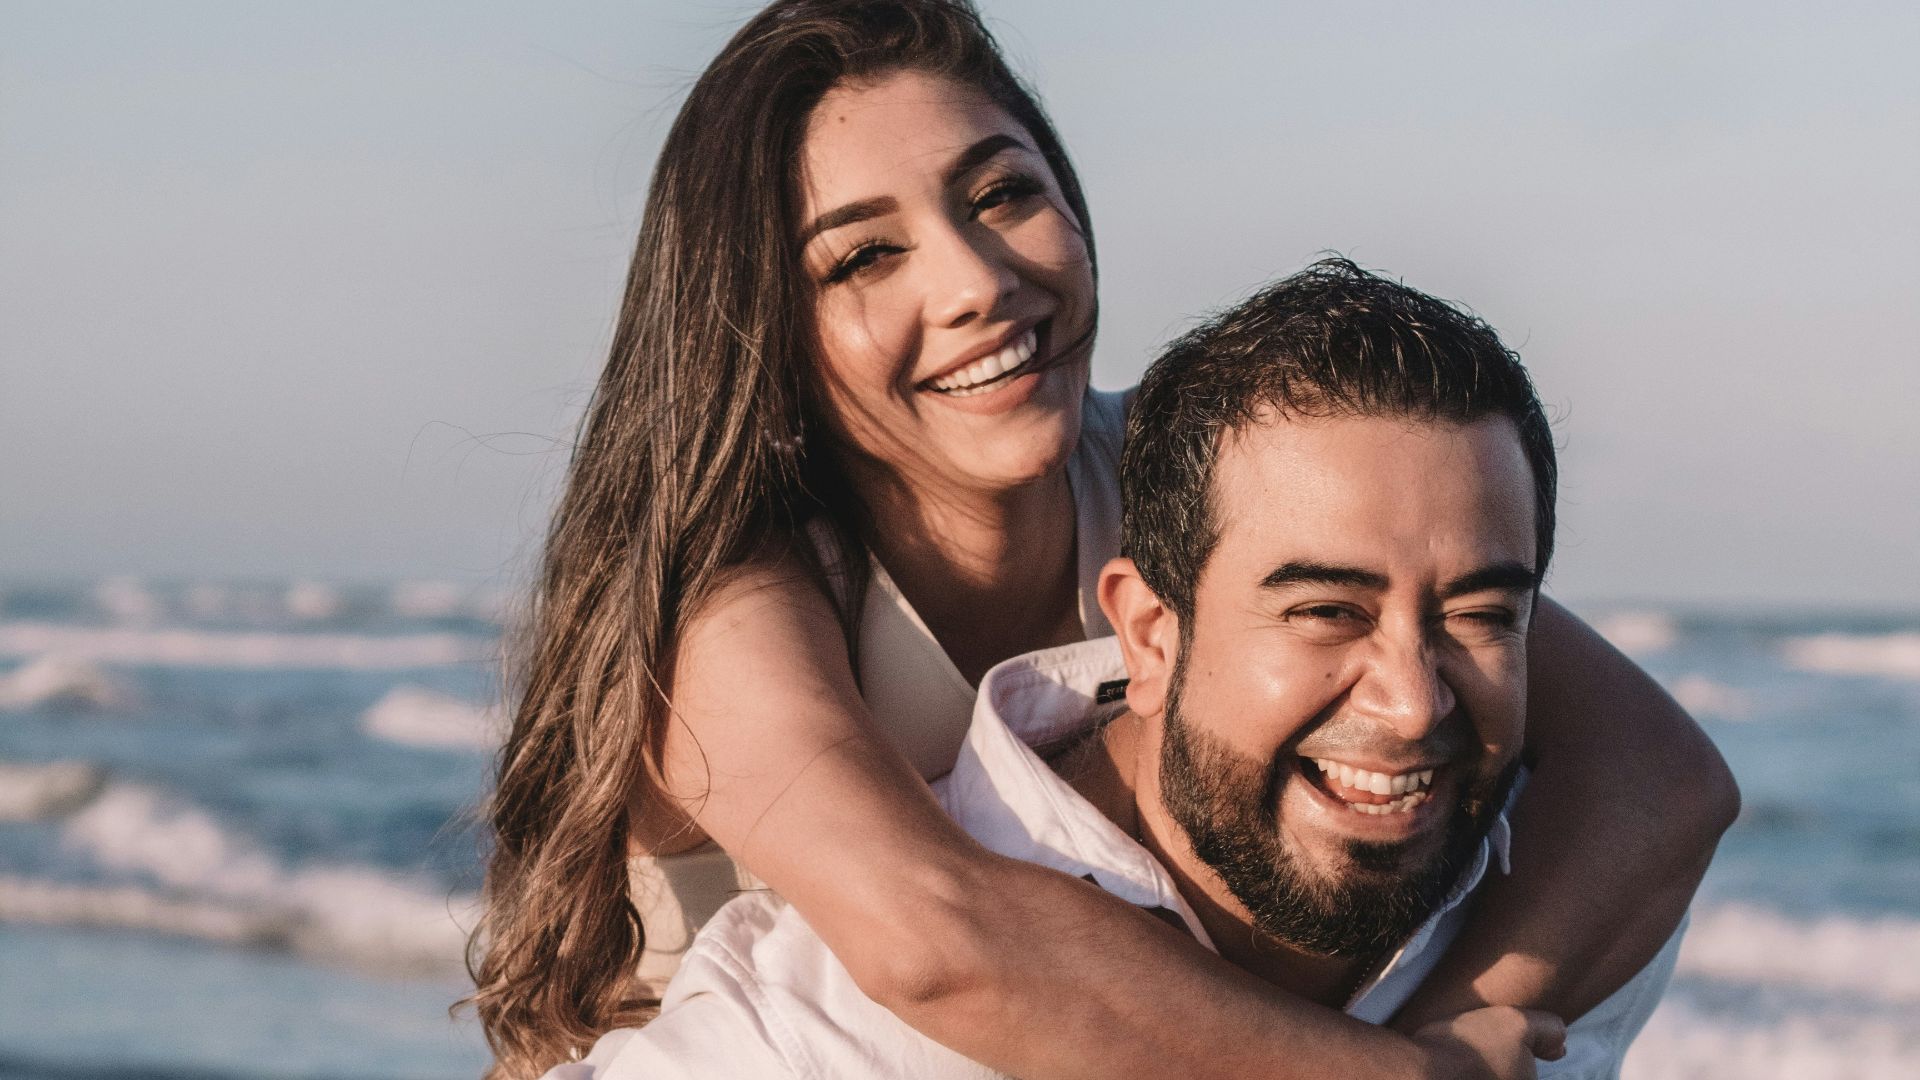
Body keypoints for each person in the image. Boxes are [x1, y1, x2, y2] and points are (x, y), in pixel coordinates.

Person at [470, 3, 1737, 1077]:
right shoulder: (736, 595)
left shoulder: (1186, 476)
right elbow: (935, 942)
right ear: (761, 324)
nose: (974, 281)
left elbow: (1660, 777)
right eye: (864, 257)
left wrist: (1455, 1022)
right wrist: (1392, 1073)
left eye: (1002, 194)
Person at [538, 260, 1685, 1079]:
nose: (1411, 699)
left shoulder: (1529, 912)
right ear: (1147, 633)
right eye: (1325, 613)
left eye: (1479, 615)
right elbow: (933, 947)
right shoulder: (815, 1039)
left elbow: (1670, 785)